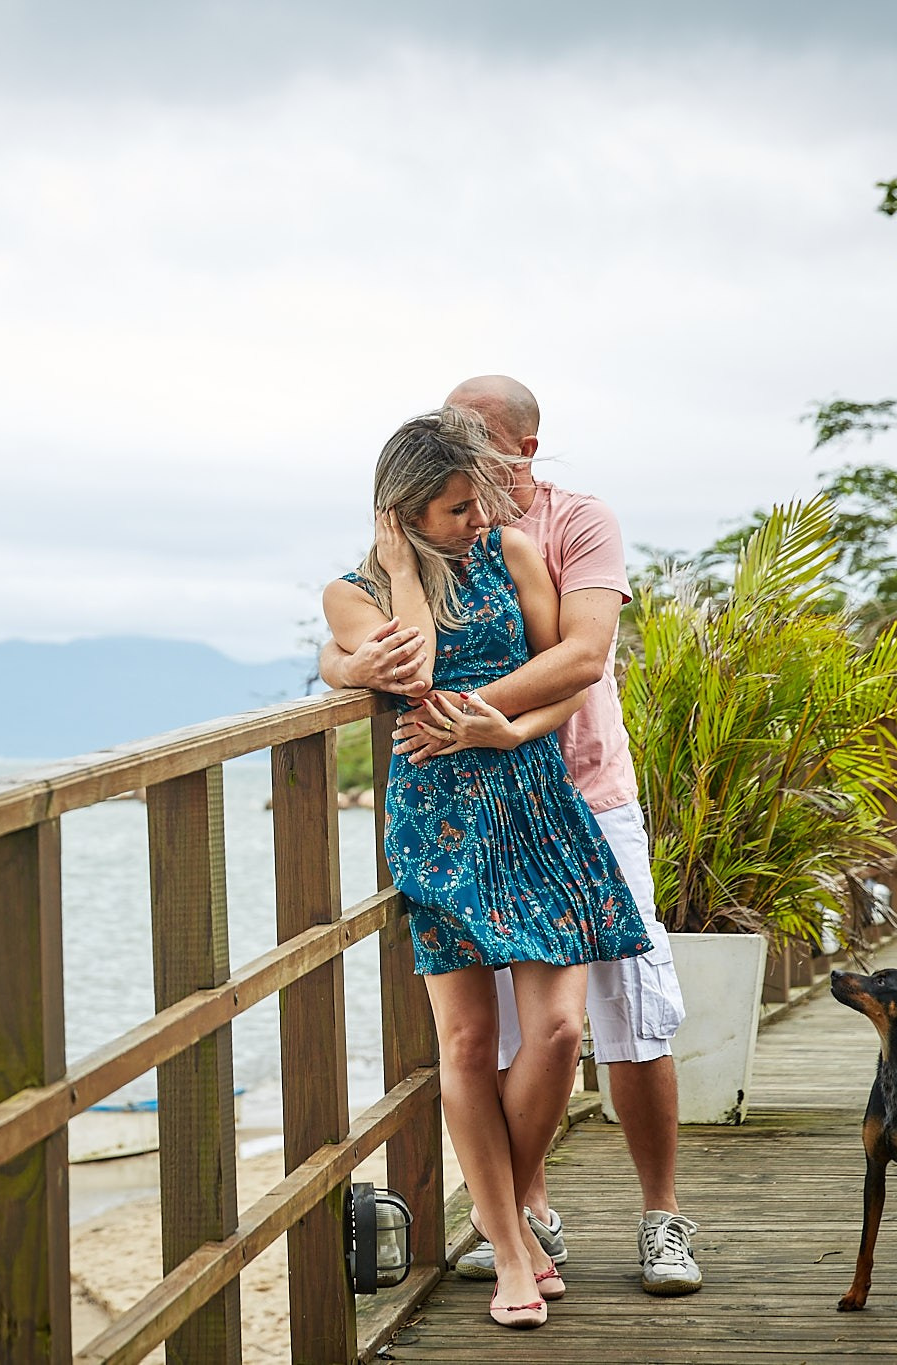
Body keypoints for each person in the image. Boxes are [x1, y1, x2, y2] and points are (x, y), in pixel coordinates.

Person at [321, 374, 702, 1296]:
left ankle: (624, 1215)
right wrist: (356, 642)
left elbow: (580, 663)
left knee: (577, 1024)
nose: (477, 515)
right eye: (456, 505)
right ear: (407, 510)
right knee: (470, 1042)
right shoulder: (359, 587)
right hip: (444, 823)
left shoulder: (537, 539)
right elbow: (409, 673)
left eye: (477, 482)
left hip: (552, 799)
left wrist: (503, 726)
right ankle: (515, 1233)